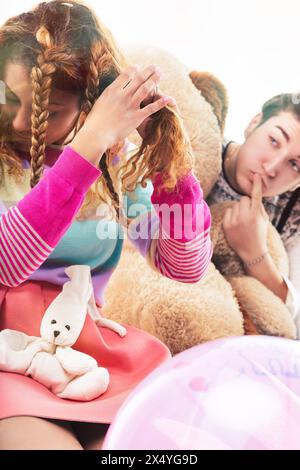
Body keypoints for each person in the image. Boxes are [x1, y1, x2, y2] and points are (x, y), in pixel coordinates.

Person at [0, 0, 212, 449]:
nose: (20, 122)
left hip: (88, 357)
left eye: (49, 111)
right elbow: (8, 262)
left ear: (90, 105)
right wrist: (89, 145)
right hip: (9, 355)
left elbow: (183, 267)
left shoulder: (113, 169)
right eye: (8, 98)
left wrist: (171, 170)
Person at [207, 93, 300, 336]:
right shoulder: (202, 149)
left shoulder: (292, 215)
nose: (270, 169)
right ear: (253, 124)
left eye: (294, 165)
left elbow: (294, 319)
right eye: (274, 140)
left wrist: (255, 253)